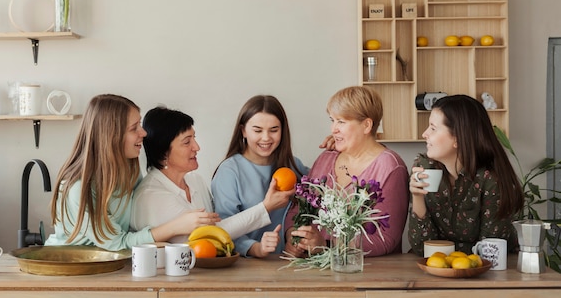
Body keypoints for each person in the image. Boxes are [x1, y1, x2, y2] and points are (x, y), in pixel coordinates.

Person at [45, 94, 219, 251]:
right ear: (112, 136)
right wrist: (175, 227)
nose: (143, 133)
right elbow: (118, 243)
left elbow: (131, 230)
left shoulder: (129, 171)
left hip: (111, 266)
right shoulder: (78, 189)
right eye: (134, 128)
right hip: (72, 268)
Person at [131, 106, 294, 245]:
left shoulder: (195, 181)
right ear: (163, 152)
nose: (197, 147)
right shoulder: (152, 196)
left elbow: (218, 224)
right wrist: (265, 207)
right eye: (187, 142)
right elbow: (210, 235)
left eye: (194, 138)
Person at [284, 86, 409, 257]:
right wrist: (294, 237)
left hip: (370, 273)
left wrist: (327, 245)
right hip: (317, 269)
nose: (333, 129)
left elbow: (385, 239)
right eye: (332, 120)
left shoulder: (390, 167)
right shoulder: (325, 159)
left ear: (366, 125)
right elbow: (297, 210)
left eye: (341, 122)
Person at [408, 94, 524, 255]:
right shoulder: (425, 168)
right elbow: (421, 247)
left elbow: (490, 252)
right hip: (438, 269)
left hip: (492, 274)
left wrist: (444, 249)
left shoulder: (491, 180)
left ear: (457, 138)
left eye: (433, 128)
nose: (424, 134)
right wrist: (417, 196)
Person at [211, 95, 310, 257]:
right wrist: (256, 248)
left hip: (290, 264)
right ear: (243, 130)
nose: (266, 138)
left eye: (274, 130)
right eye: (257, 130)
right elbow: (222, 229)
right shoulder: (229, 171)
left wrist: (337, 148)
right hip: (247, 267)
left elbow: (323, 186)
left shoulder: (293, 165)